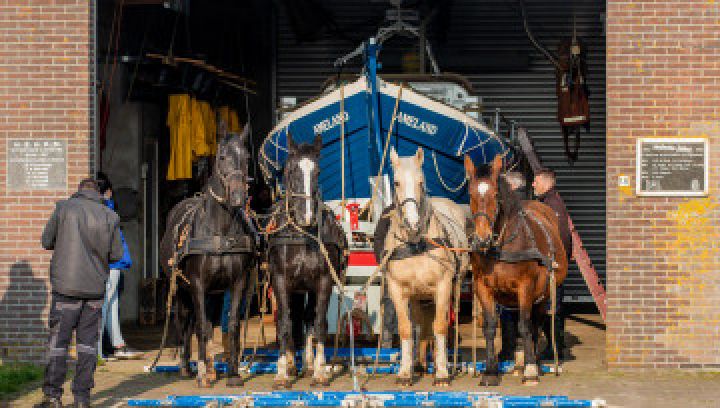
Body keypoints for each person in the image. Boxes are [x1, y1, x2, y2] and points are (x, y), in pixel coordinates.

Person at [38, 179, 124, 408]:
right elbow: (116, 255)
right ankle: (82, 399)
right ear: (99, 193)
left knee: (59, 343)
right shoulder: (110, 216)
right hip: (94, 290)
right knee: (87, 346)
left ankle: (53, 397)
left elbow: (46, 241)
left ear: (79, 191)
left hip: (65, 288)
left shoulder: (63, 208)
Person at [95, 172, 141, 360]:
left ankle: (115, 344)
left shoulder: (101, 211)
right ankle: (102, 350)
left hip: (111, 264)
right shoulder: (108, 211)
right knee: (107, 305)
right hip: (113, 264)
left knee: (109, 304)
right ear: (109, 192)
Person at [532, 168, 572, 361]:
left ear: (546, 183)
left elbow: (561, 236)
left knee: (553, 309)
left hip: (553, 267)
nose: (533, 184)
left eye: (536, 181)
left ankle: (555, 346)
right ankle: (552, 344)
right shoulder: (547, 202)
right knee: (550, 307)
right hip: (550, 265)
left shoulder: (552, 205)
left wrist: (558, 261)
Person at [496, 171, 526, 361]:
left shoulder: (513, 206)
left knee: (508, 310)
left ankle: (509, 349)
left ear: (512, 187)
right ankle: (518, 348)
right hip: (516, 265)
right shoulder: (523, 203)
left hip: (511, 264)